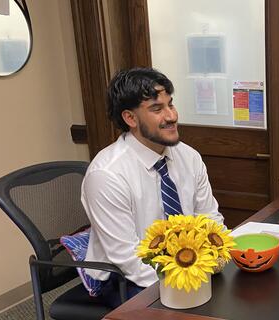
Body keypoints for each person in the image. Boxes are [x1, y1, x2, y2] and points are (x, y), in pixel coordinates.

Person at [81, 67, 224, 308]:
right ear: (130, 118)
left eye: (171, 104)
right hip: (125, 278)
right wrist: (184, 285)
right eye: (157, 109)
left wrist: (214, 261)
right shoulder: (106, 175)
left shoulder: (188, 156)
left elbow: (210, 218)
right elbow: (129, 259)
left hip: (186, 263)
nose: (171, 116)